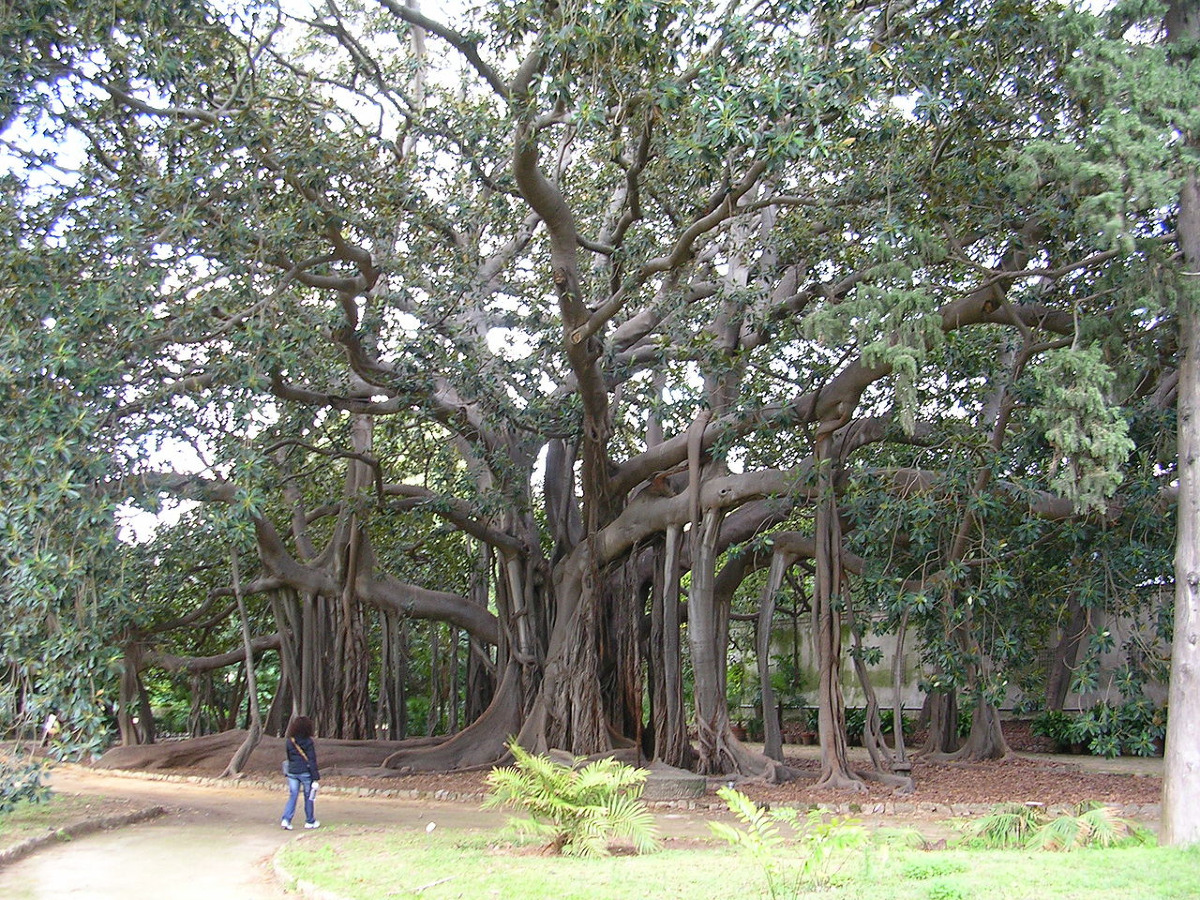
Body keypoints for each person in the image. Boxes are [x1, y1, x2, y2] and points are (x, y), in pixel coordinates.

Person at [280, 715, 320, 830]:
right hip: (305, 773)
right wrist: (315, 777)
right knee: (309, 797)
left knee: (293, 795)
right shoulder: (308, 742)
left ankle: (286, 819)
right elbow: (312, 760)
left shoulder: (290, 741)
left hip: (292, 772)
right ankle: (310, 821)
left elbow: (289, 756)